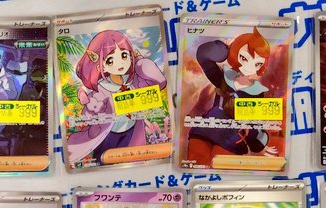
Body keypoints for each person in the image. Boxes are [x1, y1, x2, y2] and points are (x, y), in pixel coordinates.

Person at [66, 30, 167, 165]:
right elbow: (88, 115)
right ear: (101, 64)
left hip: (131, 131)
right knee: (103, 163)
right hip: (108, 134)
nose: (120, 64)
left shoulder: (134, 81)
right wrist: (88, 103)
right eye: (111, 60)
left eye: (124, 55)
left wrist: (141, 64)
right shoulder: (102, 88)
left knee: (131, 164)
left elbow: (159, 83)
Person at [187, 28, 278, 165]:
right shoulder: (224, 77)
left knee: (218, 167)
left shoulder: (257, 92)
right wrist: (223, 49)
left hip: (231, 137)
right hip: (207, 128)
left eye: (257, 63)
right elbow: (204, 56)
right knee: (195, 162)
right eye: (244, 58)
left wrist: (258, 145)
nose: (249, 67)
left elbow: (254, 122)